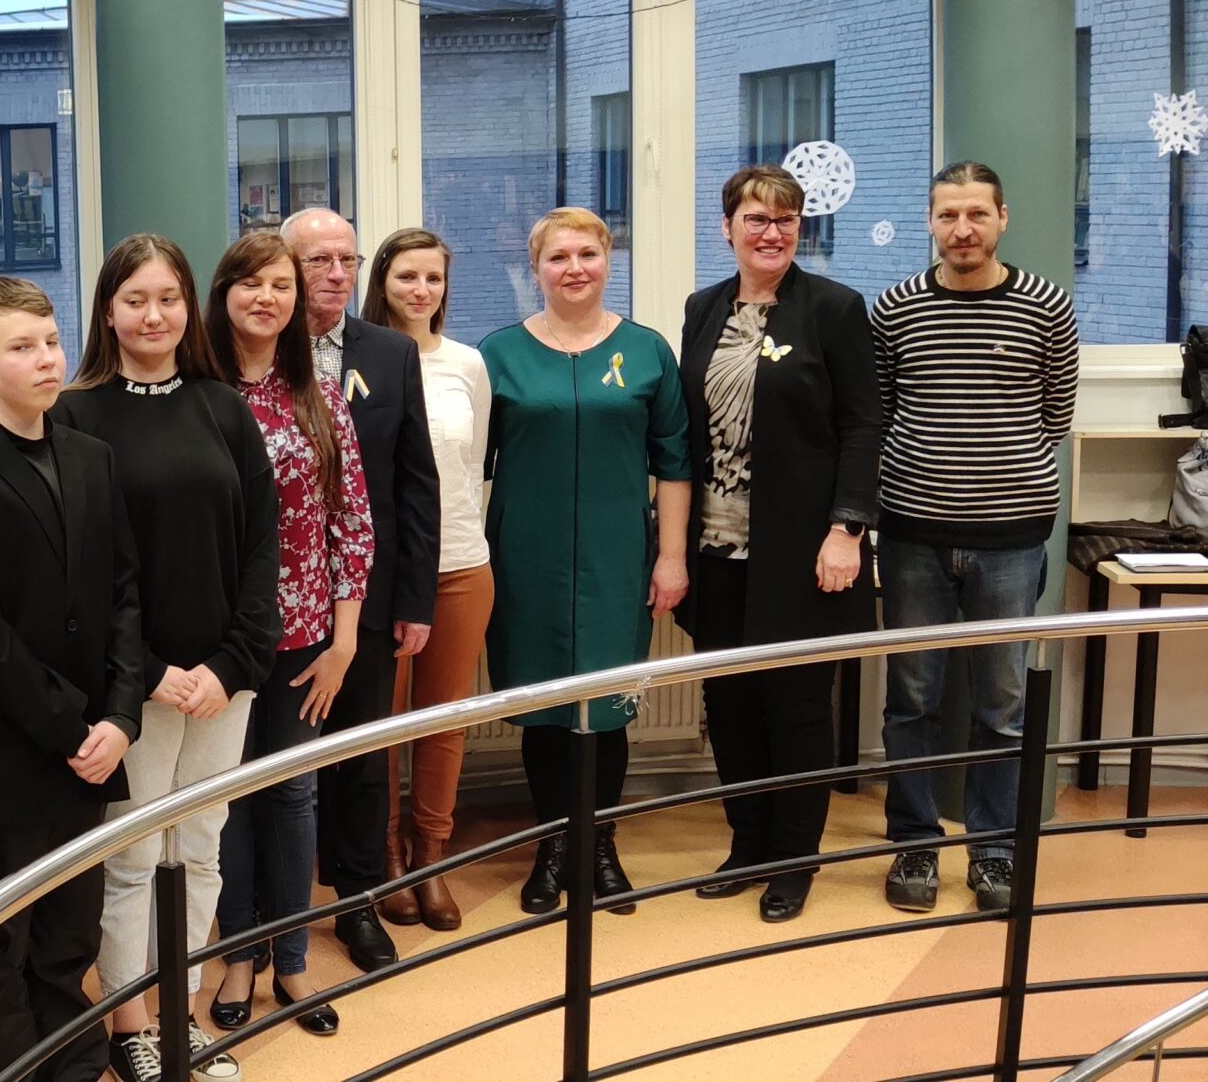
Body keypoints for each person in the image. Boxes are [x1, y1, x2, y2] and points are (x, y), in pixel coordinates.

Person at [0, 275, 144, 1082]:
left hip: (93, 747)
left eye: (50, 342)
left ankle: (72, 1071)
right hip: (5, 751)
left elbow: (124, 594)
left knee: (69, 942)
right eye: (22, 347)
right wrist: (70, 727)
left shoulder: (92, 457)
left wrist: (121, 716)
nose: (47, 359)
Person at [57, 233, 277, 1082]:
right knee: (133, 858)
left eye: (169, 298)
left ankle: (181, 1016)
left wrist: (233, 664)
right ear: (108, 311)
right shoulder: (76, 415)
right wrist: (148, 672)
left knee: (202, 847)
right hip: (132, 684)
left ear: (190, 306)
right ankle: (131, 1025)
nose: (154, 315)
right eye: (136, 299)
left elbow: (262, 548)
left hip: (225, 680)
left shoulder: (225, 408)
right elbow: (82, 570)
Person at [872, 161, 1078, 915]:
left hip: (1011, 539)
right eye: (948, 215)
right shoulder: (895, 308)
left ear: (1002, 218)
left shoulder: (1045, 305)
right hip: (912, 534)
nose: (962, 230)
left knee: (1002, 704)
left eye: (977, 215)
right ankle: (915, 845)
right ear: (931, 221)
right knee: (912, 700)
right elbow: (881, 411)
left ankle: (993, 852)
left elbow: (1055, 415)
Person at [677, 167, 881, 924]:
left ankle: (794, 860)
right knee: (730, 705)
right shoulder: (703, 309)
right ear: (727, 227)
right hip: (715, 549)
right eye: (756, 219)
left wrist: (847, 528)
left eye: (786, 220)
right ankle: (749, 846)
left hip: (804, 551)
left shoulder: (833, 308)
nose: (772, 232)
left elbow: (863, 423)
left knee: (795, 709)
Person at [480, 207, 691, 916]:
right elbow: (467, 464)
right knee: (544, 710)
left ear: (608, 260)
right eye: (558, 257)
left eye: (588, 254)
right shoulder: (499, 354)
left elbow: (676, 463)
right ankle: (551, 847)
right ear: (535, 269)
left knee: (607, 709)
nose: (574, 269)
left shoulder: (647, 351)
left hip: (617, 556)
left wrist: (671, 557)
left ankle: (599, 846)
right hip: (525, 558)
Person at [205, 231, 374, 1038]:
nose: (266, 298)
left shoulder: (320, 395)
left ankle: (295, 961)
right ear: (224, 295)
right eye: (251, 283)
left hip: (306, 634)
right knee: (230, 799)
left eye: (281, 285)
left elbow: (352, 522)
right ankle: (239, 955)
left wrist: (345, 639)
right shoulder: (199, 394)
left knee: (294, 793)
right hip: (219, 639)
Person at [280, 207, 439, 969]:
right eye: (319, 260)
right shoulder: (253, 351)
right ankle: (269, 914)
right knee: (276, 769)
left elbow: (415, 482)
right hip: (276, 604)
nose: (337, 274)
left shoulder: (390, 351)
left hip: (366, 600)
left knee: (360, 761)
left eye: (347, 259)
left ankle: (356, 901)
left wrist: (414, 600)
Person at [359, 228, 490, 933]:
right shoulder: (360, 359)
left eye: (433, 278)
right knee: (379, 726)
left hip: (462, 563)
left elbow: (471, 465)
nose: (420, 290)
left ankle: (431, 856)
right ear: (381, 281)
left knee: (443, 725)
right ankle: (384, 859)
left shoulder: (467, 363)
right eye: (407, 276)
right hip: (382, 574)